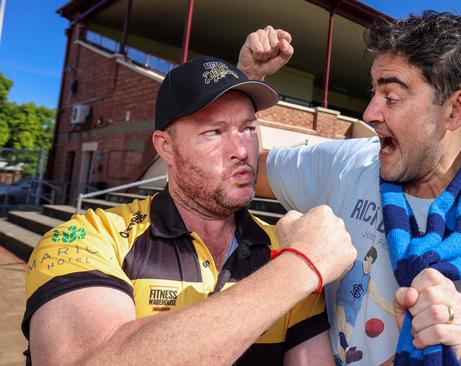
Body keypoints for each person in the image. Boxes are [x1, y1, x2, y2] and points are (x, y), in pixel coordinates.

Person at [241, 11, 461, 366]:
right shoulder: (347, 164)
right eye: (373, 92)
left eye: (391, 96)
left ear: (457, 109)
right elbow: (246, 169)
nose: (370, 113)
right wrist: (248, 81)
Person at [22, 56, 358, 366]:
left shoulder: (282, 245)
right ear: (165, 147)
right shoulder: (88, 238)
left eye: (248, 129)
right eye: (214, 131)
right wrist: (300, 269)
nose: (241, 150)